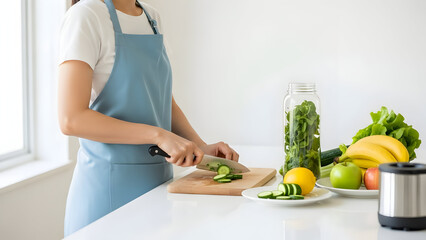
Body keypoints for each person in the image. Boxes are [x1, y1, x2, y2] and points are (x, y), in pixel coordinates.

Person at [58, 0, 239, 236]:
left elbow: (163, 101)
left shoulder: (151, 18)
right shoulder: (86, 15)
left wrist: (201, 147)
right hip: (107, 195)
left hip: (157, 190)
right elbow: (71, 119)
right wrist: (158, 135)